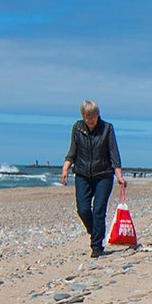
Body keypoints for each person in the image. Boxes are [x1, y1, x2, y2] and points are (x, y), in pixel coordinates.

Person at [61, 100, 124, 257]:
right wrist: (65, 168)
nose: (90, 120)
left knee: (98, 211)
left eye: (93, 117)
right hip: (83, 174)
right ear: (83, 116)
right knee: (82, 209)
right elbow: (72, 151)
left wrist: (119, 175)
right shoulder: (78, 128)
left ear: (98, 115)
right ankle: (94, 231)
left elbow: (114, 153)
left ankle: (96, 247)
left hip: (103, 175)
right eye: (87, 117)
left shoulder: (107, 129)